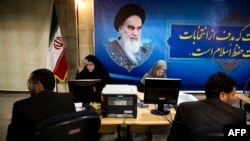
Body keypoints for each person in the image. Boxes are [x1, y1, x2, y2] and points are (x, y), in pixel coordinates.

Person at [167, 72, 246, 141]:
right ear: (222, 95)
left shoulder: (185, 109)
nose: (235, 98)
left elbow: (172, 139)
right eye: (233, 94)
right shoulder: (239, 115)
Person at [6, 68, 76, 141]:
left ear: (38, 85)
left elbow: (13, 137)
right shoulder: (68, 98)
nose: (28, 87)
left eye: (29, 83)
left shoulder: (20, 106)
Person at [105, 3, 154, 71]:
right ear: (120, 28)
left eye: (139, 28)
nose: (135, 33)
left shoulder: (144, 50)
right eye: (131, 28)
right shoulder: (111, 48)